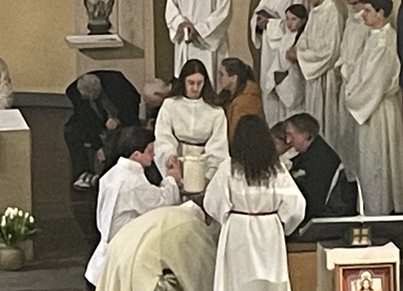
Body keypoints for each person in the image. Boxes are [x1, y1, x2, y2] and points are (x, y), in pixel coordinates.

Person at [204, 115, 306, 291]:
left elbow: (212, 202)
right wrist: (281, 224)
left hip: (239, 233)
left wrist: (228, 217)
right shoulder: (276, 170)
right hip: (269, 233)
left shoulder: (230, 168)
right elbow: (296, 206)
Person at [92, 202, 218, 291]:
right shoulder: (193, 225)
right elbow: (199, 271)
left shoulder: (171, 213)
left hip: (119, 263)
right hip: (139, 267)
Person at [84, 126, 183, 291]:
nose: (153, 155)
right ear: (136, 154)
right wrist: (172, 179)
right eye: (150, 151)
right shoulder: (133, 182)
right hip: (123, 251)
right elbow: (163, 201)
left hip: (106, 251)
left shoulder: (113, 173)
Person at [343, 0, 403, 216]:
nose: (363, 15)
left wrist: (351, 98)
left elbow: (374, 82)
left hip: (376, 110)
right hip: (368, 107)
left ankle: (378, 214)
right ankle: (368, 210)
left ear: (381, 13)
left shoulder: (384, 43)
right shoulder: (374, 36)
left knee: (376, 164)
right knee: (366, 163)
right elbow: (360, 71)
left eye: (368, 11)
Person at [154, 59, 228, 191]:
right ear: (183, 81)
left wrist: (209, 175)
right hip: (178, 159)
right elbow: (163, 136)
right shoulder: (170, 105)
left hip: (204, 161)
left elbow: (218, 145)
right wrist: (170, 156)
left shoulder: (216, 111)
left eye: (199, 83)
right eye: (191, 83)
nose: (195, 88)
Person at [63, 71, 141, 190]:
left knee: (127, 135)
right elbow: (84, 117)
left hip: (121, 117)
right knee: (71, 130)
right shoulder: (73, 91)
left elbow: (133, 103)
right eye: (87, 98)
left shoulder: (118, 84)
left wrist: (118, 120)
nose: (90, 100)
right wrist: (97, 145)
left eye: (93, 97)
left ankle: (116, 173)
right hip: (95, 119)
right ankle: (82, 173)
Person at [284, 112, 356, 239]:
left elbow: (315, 200)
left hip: (327, 220)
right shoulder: (311, 153)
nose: (288, 141)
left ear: (305, 135)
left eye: (291, 134)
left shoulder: (320, 159)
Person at [334, 0, 375, 180]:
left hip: (358, 88)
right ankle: (349, 177)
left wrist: (346, 70)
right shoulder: (352, 17)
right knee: (345, 135)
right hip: (346, 83)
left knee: (359, 141)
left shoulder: (368, 23)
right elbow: (346, 48)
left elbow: (363, 60)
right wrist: (340, 65)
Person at [293, 0, 343, 140]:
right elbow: (305, 37)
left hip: (324, 76)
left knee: (325, 124)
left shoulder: (332, 12)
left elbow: (331, 51)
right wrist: (298, 50)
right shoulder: (315, 10)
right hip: (313, 75)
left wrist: (301, 56)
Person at [250, 0, 301, 80]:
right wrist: (258, 21)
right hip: (267, 47)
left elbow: (297, 23)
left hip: (285, 50)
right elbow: (257, 13)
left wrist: (269, 23)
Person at [260, 3, 307, 125]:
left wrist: (284, 77)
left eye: (294, 19)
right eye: (287, 18)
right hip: (280, 83)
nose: (289, 23)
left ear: (302, 20)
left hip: (293, 84)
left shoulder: (303, 38)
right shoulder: (286, 37)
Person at [215, 57, 264, 143]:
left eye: (222, 74)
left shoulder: (245, 102)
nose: (219, 78)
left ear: (233, 78)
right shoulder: (227, 96)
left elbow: (237, 135)